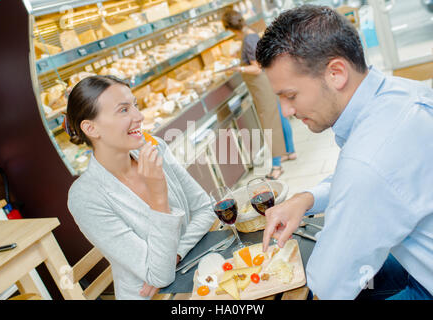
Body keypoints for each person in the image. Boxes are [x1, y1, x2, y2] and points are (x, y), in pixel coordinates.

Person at [256, 5, 433, 300]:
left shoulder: (369, 160)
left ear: (336, 73)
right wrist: (307, 199)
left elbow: (330, 285)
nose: (287, 111)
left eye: (290, 96)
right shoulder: (402, 93)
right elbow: (381, 181)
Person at [65, 75, 216, 300]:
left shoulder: (155, 149)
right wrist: (158, 195)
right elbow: (158, 277)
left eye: (135, 105)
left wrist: (175, 254)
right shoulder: (85, 197)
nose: (139, 116)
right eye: (124, 110)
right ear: (91, 128)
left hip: (196, 274)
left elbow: (206, 208)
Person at [222, 9, 297, 180]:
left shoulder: (248, 39)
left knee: (269, 122)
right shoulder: (251, 34)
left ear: (231, 28)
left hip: (261, 86)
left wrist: (238, 68)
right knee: (279, 116)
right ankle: (289, 151)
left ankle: (277, 166)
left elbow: (256, 68)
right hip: (267, 83)